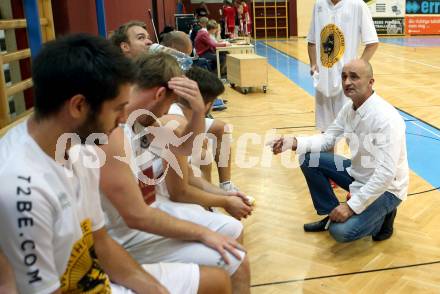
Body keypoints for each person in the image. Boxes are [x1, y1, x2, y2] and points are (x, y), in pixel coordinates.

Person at [0, 33, 228, 294]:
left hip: (92, 274)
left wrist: (154, 289)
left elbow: (102, 242)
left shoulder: (81, 150)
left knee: (217, 282)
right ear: (78, 106)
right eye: (117, 108)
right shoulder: (21, 189)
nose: (123, 119)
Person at [99, 52, 251, 294]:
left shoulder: (143, 120)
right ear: (160, 94)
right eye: (170, 102)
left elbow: (182, 149)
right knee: (234, 258)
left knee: (232, 244)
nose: (170, 109)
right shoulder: (115, 131)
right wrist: (204, 233)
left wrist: (199, 112)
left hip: (141, 219)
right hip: (123, 235)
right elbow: (138, 215)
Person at [268, 59, 409, 243]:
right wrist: (293, 142)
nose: (347, 82)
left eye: (354, 77)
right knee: (309, 159)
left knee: (341, 232)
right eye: (344, 77)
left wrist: (350, 207)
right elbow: (327, 139)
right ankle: (331, 213)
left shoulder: (386, 119)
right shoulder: (348, 109)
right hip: (358, 173)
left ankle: (383, 218)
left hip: (387, 189)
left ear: (371, 82)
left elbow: (386, 175)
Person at [307, 0, 379, 132]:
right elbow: (311, 42)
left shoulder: (357, 5)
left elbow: (373, 43)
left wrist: (357, 69)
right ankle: (329, 154)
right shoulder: (319, 5)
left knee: (352, 135)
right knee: (326, 134)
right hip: (323, 82)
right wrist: (313, 64)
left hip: (347, 83)